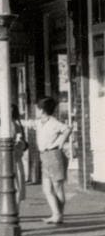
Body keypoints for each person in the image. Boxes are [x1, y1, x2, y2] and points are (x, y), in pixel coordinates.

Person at [32, 96, 71, 225]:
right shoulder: (39, 122)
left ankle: (59, 215)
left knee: (57, 187)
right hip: (44, 156)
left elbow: (67, 129)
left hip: (54, 155)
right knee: (47, 188)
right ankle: (56, 214)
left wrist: (60, 142)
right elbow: (28, 123)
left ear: (42, 110)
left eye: (37, 108)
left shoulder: (54, 122)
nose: (35, 111)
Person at [10, 105, 29, 203]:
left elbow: (21, 142)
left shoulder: (14, 124)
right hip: (16, 157)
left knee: (16, 183)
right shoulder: (17, 123)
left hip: (14, 157)